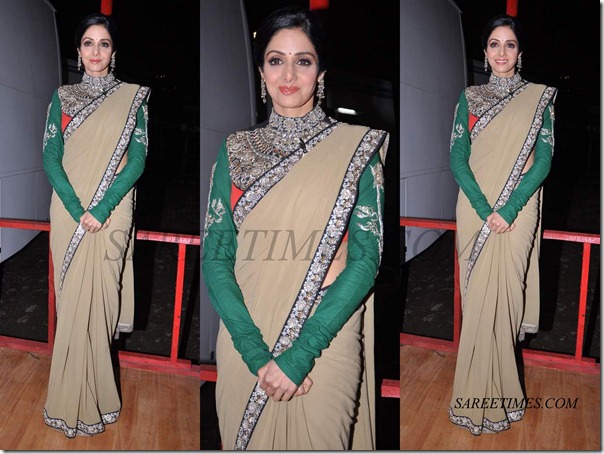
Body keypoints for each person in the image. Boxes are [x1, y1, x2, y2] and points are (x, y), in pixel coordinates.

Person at [202, 6, 388, 450]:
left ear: (320, 72)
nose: (288, 74)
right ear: (261, 70)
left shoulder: (357, 149)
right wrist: (254, 352)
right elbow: (216, 255)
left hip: (327, 335)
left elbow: (366, 258)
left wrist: (301, 354)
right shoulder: (234, 150)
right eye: (275, 60)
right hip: (246, 334)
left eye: (303, 61)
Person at [42, 13, 150, 437]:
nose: (95, 51)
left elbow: (137, 160)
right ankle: (66, 400)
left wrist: (102, 207)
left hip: (113, 210)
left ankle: (99, 398)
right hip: (69, 212)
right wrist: (76, 207)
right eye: (88, 43)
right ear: (78, 50)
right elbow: (50, 156)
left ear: (113, 51)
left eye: (103, 43)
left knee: (102, 302)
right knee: (71, 304)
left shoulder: (133, 99)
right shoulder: (63, 97)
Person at [448, 14, 556, 435]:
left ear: (520, 52)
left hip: (519, 210)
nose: (501, 52)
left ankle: (503, 396)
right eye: (494, 44)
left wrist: (509, 209)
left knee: (507, 298)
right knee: (477, 302)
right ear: (485, 51)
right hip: (475, 209)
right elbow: (457, 156)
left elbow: (543, 161)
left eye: (509, 44)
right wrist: (482, 206)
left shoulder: (539, 99)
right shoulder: (470, 98)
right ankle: (472, 397)